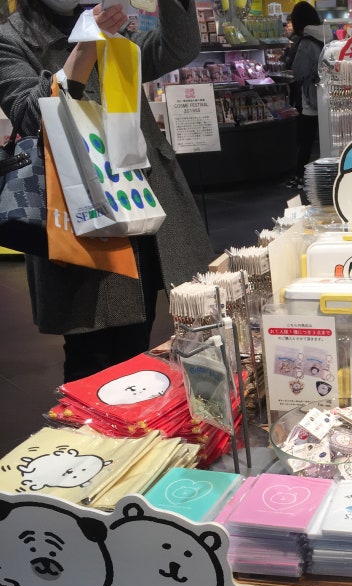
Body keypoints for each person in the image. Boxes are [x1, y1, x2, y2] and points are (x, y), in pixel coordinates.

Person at [0, 0, 215, 383]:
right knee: (90, 352)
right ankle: (93, 420)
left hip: (138, 200)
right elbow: (30, 114)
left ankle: (134, 416)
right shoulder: (11, 38)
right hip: (76, 213)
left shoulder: (103, 18)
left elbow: (176, 49)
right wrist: (84, 48)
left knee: (138, 339)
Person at [288, 1, 323, 191]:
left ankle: (300, 176)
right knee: (325, 138)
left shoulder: (306, 42)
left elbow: (298, 71)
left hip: (311, 99)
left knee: (306, 140)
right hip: (328, 96)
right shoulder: (328, 36)